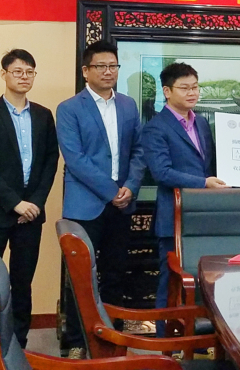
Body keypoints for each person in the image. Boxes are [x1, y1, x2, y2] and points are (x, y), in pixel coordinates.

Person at [56, 40, 144, 359]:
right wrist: (111, 192)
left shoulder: (128, 105)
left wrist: (130, 186)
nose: (108, 72)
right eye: (101, 66)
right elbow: (75, 159)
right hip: (85, 205)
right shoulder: (69, 108)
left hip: (122, 204)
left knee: (115, 272)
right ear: (86, 71)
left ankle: (112, 335)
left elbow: (138, 150)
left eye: (113, 66)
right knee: (79, 276)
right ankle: (76, 341)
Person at [0, 49, 59, 348]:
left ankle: (18, 343)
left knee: (22, 282)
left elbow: (50, 161)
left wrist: (35, 202)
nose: (24, 77)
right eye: (18, 71)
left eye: (30, 72)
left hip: (31, 214)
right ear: (4, 74)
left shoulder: (43, 115)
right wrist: (14, 203)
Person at [141, 62, 226, 335]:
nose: (192, 93)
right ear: (167, 91)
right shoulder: (156, 127)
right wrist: (204, 183)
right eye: (185, 88)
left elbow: (209, 164)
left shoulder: (201, 122)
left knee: (204, 281)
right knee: (170, 281)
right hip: (173, 217)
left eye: (195, 87)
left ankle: (198, 340)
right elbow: (162, 173)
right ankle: (164, 342)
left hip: (203, 216)